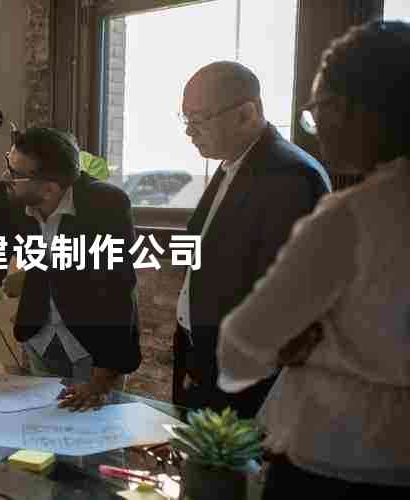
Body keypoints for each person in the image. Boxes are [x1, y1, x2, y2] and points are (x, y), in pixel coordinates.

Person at [217, 20, 410, 498]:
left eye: (315, 110)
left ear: (348, 109)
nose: (316, 127)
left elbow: (240, 346)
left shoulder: (355, 214)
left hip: (335, 460)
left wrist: (290, 343)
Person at [0, 127, 141, 411]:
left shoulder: (107, 204)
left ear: (49, 188)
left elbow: (118, 289)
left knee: (97, 431)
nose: (6, 176)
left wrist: (102, 378)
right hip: (40, 339)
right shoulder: (5, 197)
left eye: (15, 173)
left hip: (97, 349)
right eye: (8, 163)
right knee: (39, 429)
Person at [172, 61, 331, 418]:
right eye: (185, 119)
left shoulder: (290, 176)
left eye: (199, 119)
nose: (190, 132)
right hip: (203, 356)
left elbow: (284, 296)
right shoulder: (233, 164)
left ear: (246, 113)